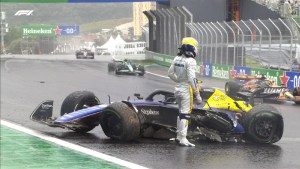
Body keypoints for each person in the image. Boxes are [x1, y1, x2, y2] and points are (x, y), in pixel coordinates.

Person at [168, 37, 202, 147]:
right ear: (192, 48)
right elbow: (192, 79)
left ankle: (179, 136)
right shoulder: (191, 61)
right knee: (186, 114)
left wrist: (178, 81)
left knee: (180, 112)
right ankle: (183, 138)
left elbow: (170, 73)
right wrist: (197, 94)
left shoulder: (176, 58)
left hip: (177, 88)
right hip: (186, 89)